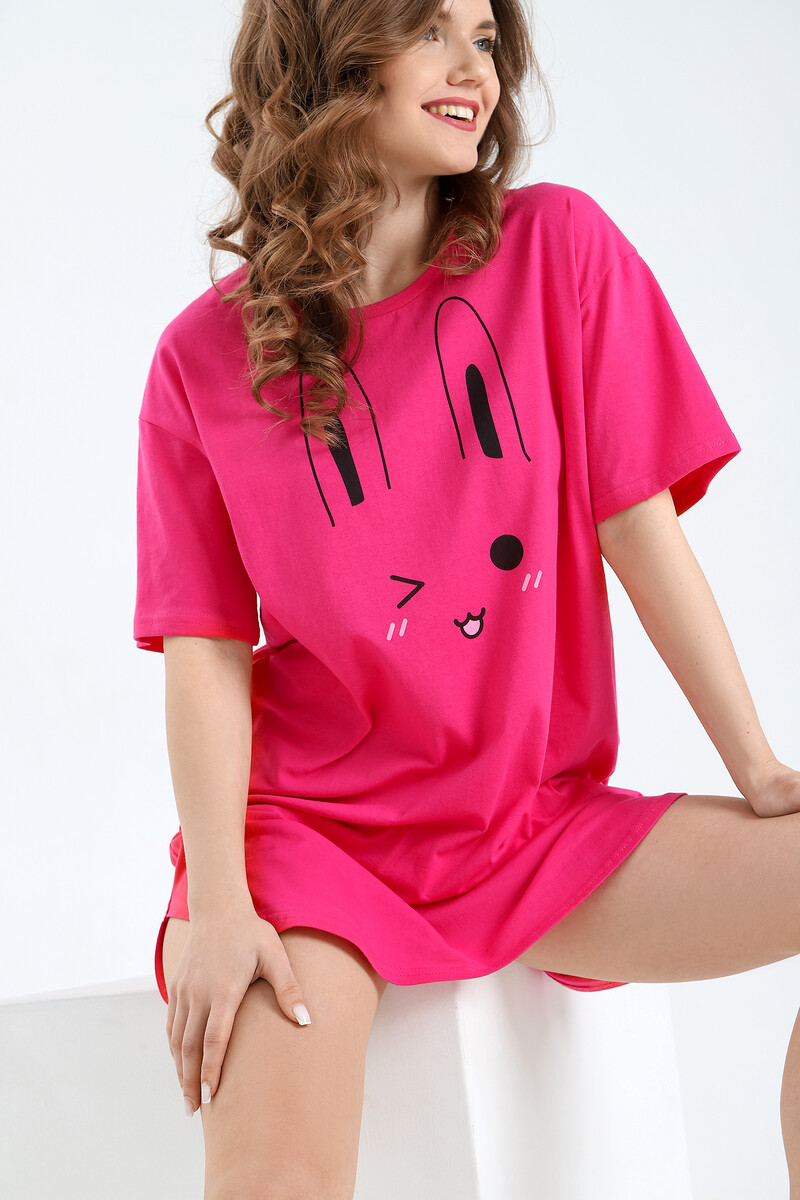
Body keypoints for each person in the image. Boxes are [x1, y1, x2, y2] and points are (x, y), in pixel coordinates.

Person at [133, 0, 800, 1196]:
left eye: (484, 39)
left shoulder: (557, 251)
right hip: (312, 843)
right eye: (429, 32)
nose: (472, 71)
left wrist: (754, 769)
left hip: (531, 827)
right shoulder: (202, 360)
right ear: (333, 53)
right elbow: (205, 650)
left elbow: (636, 531)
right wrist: (221, 906)